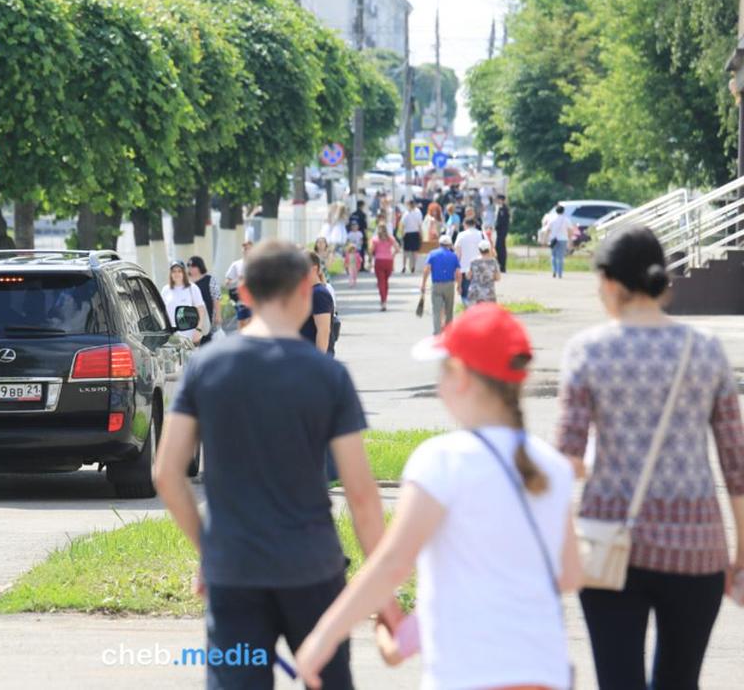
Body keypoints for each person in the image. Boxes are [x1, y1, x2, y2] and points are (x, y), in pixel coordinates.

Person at [296, 304, 581, 690]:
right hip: (543, 672)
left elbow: (392, 564)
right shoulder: (552, 466)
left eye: (441, 371)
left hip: (467, 675)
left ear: (460, 376)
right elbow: (567, 573)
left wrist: (323, 638)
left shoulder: (441, 460)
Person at [154, 240, 386, 690]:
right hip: (313, 569)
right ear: (307, 288)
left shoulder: (205, 368)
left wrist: (209, 549)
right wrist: (382, 588)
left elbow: (166, 474)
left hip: (235, 569)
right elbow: (361, 494)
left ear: (242, 295)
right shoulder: (327, 376)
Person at [555, 225, 744, 690]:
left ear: (614, 282)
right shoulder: (707, 350)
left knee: (618, 682)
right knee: (680, 682)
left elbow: (567, 463)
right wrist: (741, 551)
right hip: (697, 549)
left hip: (609, 546)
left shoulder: (588, 351)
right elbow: (735, 463)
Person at [421, 236, 461, 336]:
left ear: (439, 243)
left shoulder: (432, 254)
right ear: (450, 245)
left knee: (436, 310)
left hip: (436, 284)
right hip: (449, 284)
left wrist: (423, 283)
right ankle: (449, 332)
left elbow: (427, 269)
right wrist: (459, 285)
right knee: (449, 309)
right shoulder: (453, 256)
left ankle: (437, 332)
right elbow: (458, 273)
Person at [161, 261, 209, 346]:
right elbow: (162, 312)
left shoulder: (192, 288)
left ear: (184, 273)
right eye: (174, 271)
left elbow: (201, 309)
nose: (177, 274)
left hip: (190, 335)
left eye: (179, 271)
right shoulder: (165, 290)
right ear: (170, 274)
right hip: (172, 336)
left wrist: (198, 329)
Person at [301, 252, 334, 356]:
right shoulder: (309, 292)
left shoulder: (319, 293)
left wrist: (319, 361)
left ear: (314, 269)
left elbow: (323, 330)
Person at [187, 256, 221, 344]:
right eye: (189, 266)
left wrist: (218, 315)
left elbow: (216, 297)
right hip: (192, 315)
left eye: (193, 266)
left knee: (207, 337)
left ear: (200, 266)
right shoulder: (187, 282)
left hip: (208, 314)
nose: (191, 268)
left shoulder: (209, 279)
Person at [454, 218, 485, 306]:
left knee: (465, 295)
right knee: (479, 296)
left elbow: (458, 253)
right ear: (474, 224)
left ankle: (469, 314)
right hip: (479, 269)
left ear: (465, 224)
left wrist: (456, 269)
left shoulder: (461, 235)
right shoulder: (481, 234)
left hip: (464, 269)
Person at [370, 223, 400, 311]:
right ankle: (384, 300)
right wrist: (392, 255)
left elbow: (371, 250)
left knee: (381, 282)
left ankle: (383, 301)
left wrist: (371, 259)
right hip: (389, 261)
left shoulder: (375, 239)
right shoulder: (390, 238)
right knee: (385, 282)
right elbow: (397, 249)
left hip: (379, 261)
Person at [543, 205, 577, 279]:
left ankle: (554, 271)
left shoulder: (552, 219)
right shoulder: (566, 220)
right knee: (560, 257)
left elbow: (547, 230)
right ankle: (560, 273)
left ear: (556, 211)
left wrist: (545, 239)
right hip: (563, 239)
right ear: (563, 211)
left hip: (553, 239)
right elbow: (570, 230)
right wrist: (570, 240)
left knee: (553, 256)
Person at [467, 240, 501, 305]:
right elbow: (498, 278)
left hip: (475, 292)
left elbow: (468, 276)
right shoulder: (493, 262)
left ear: (479, 250)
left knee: (475, 313)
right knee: (488, 313)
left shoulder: (473, 261)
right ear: (489, 249)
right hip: (488, 292)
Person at [400, 200, 423, 274]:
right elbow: (420, 225)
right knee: (414, 251)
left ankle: (404, 266)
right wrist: (421, 234)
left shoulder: (406, 213)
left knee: (406, 251)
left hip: (407, 233)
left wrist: (402, 234)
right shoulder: (418, 212)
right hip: (415, 233)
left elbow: (402, 225)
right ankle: (413, 266)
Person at [348, 201, 369, 271]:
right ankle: (361, 266)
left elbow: (349, 224)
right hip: (360, 234)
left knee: (352, 251)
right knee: (361, 252)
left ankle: (352, 266)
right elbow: (365, 226)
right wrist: (366, 236)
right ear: (362, 206)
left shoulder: (352, 214)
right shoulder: (363, 214)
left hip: (352, 234)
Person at [494, 194, 511, 273]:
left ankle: (502, 266)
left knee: (500, 248)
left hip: (502, 232)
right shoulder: (501, 208)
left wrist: (496, 226)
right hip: (500, 232)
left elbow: (502, 222)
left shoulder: (503, 209)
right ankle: (500, 265)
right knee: (498, 248)